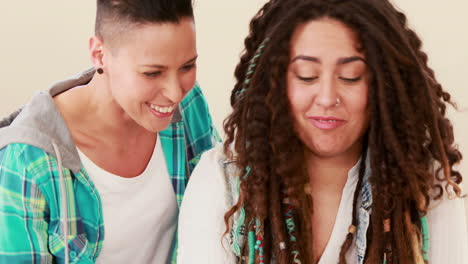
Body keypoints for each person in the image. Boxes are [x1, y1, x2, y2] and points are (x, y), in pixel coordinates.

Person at [177, 0, 467, 263]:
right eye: (307, 76)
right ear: (276, 83)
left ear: (383, 85)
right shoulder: (222, 180)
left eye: (350, 77)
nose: (328, 98)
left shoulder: (424, 184)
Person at [0, 0, 219, 263]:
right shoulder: (27, 160)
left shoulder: (188, 106)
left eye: (187, 67)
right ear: (100, 55)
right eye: (152, 73)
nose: (174, 92)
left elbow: (222, 206)